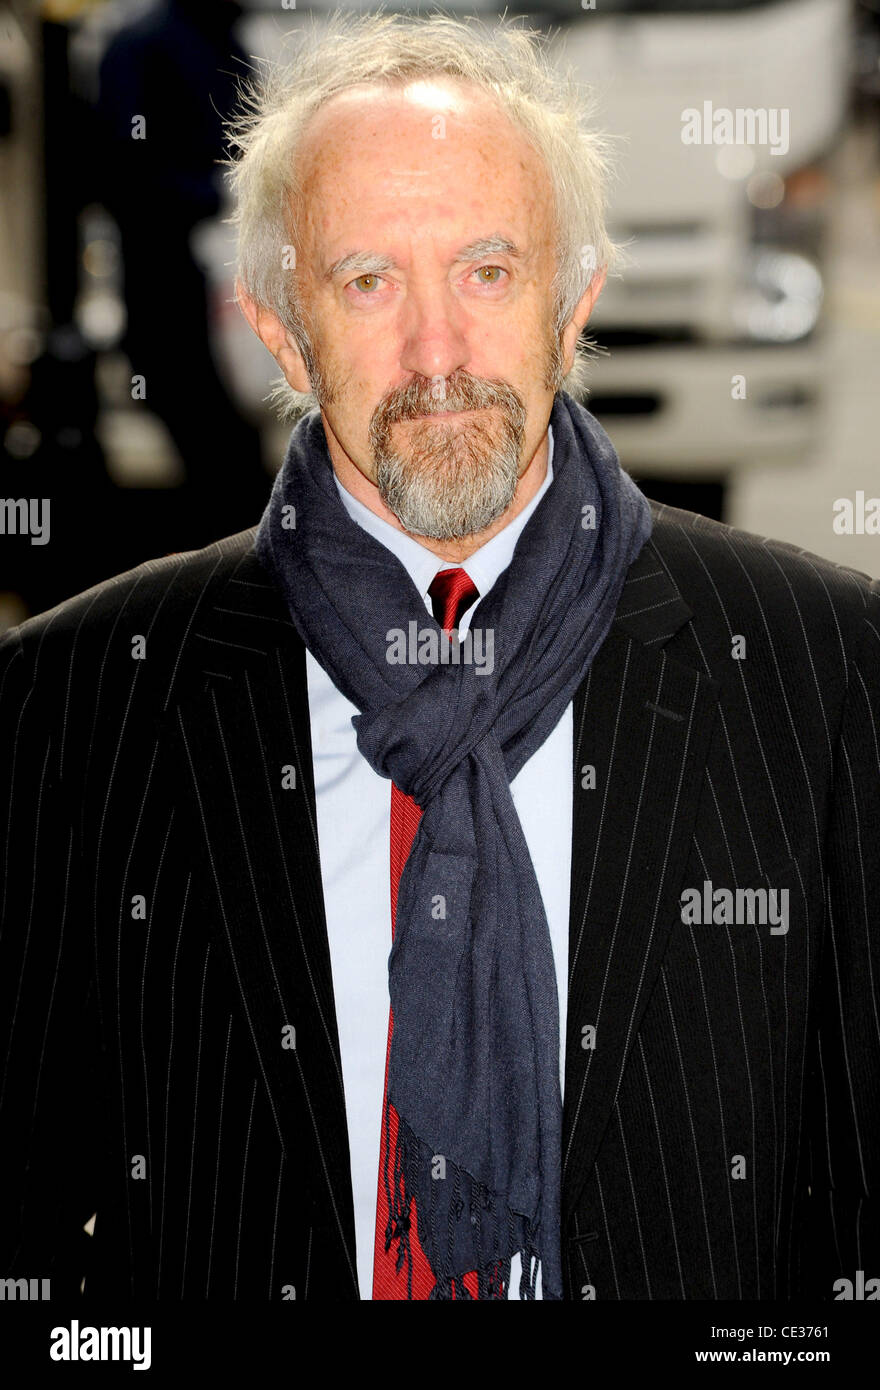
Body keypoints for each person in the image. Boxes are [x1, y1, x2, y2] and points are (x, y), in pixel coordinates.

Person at [1, 11, 877, 1302]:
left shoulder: (831, 677)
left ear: (573, 300)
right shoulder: (68, 705)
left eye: (485, 270)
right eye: (367, 282)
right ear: (282, 326)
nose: (436, 355)